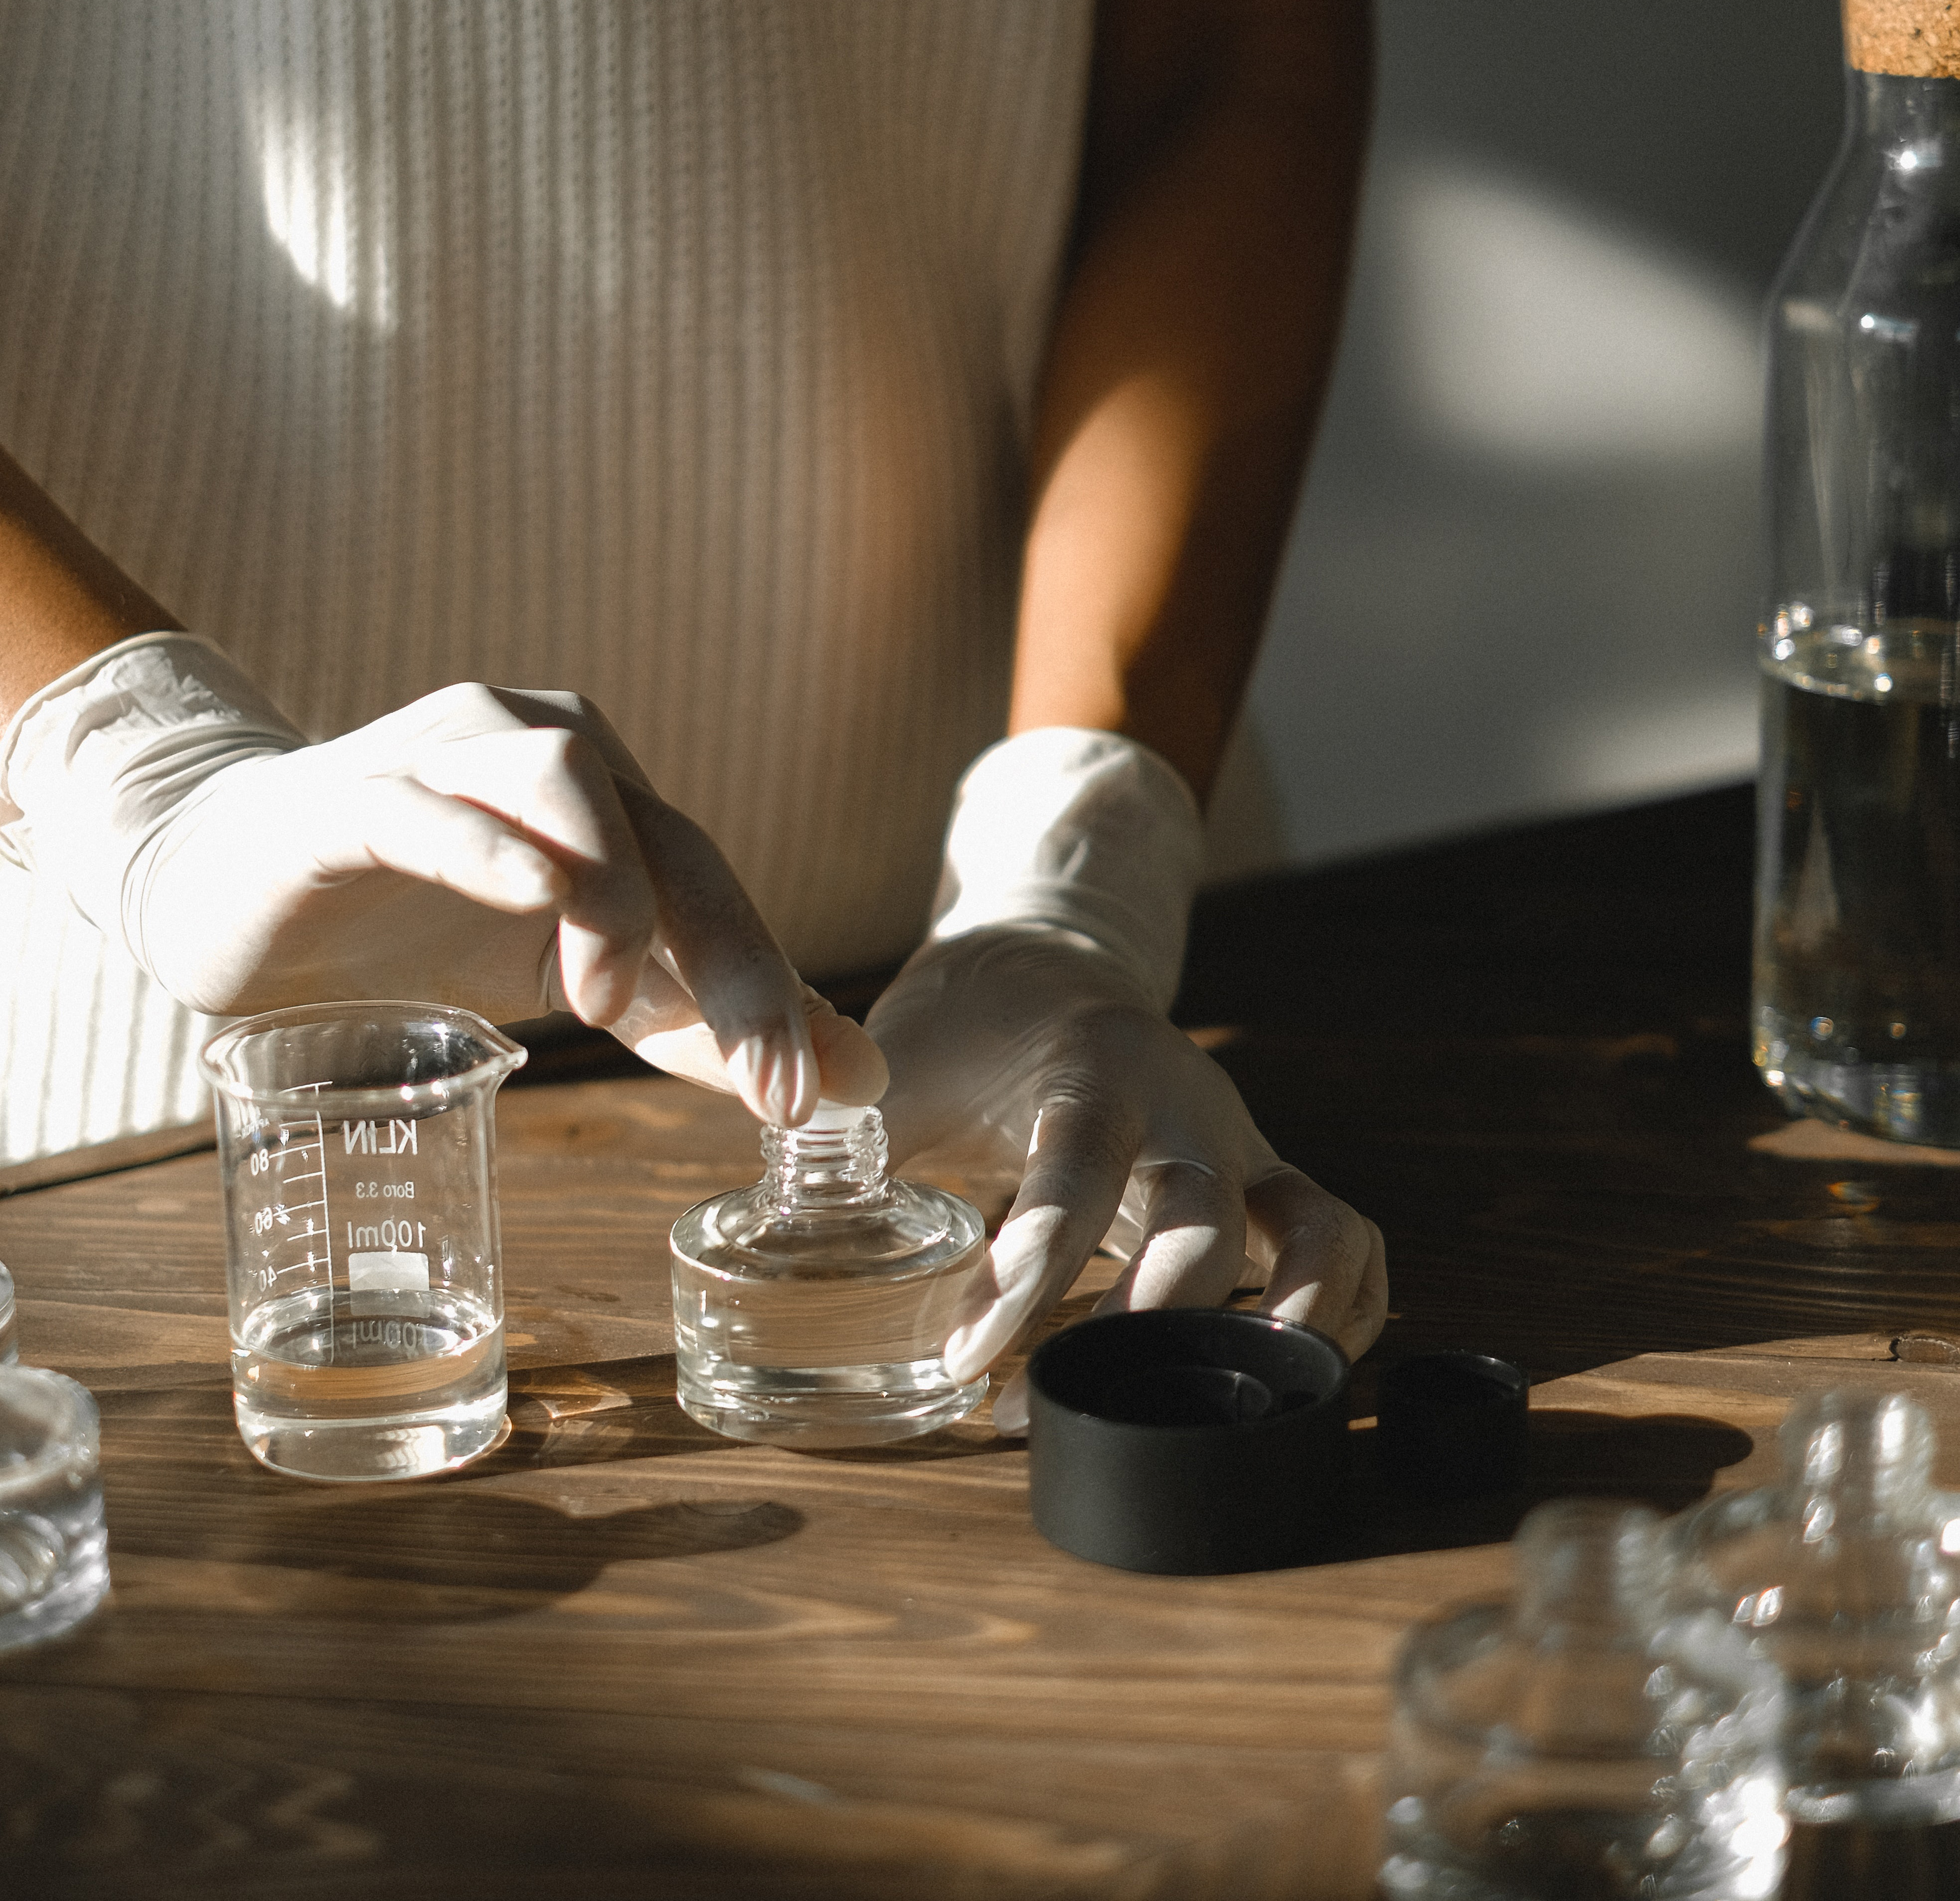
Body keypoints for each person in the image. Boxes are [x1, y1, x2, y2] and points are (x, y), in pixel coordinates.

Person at [0, 0, 1386, 1427]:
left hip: (1069, 1016)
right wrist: (133, 768)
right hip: (142, 1114)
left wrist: (1081, 876)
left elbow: (1230, 75)